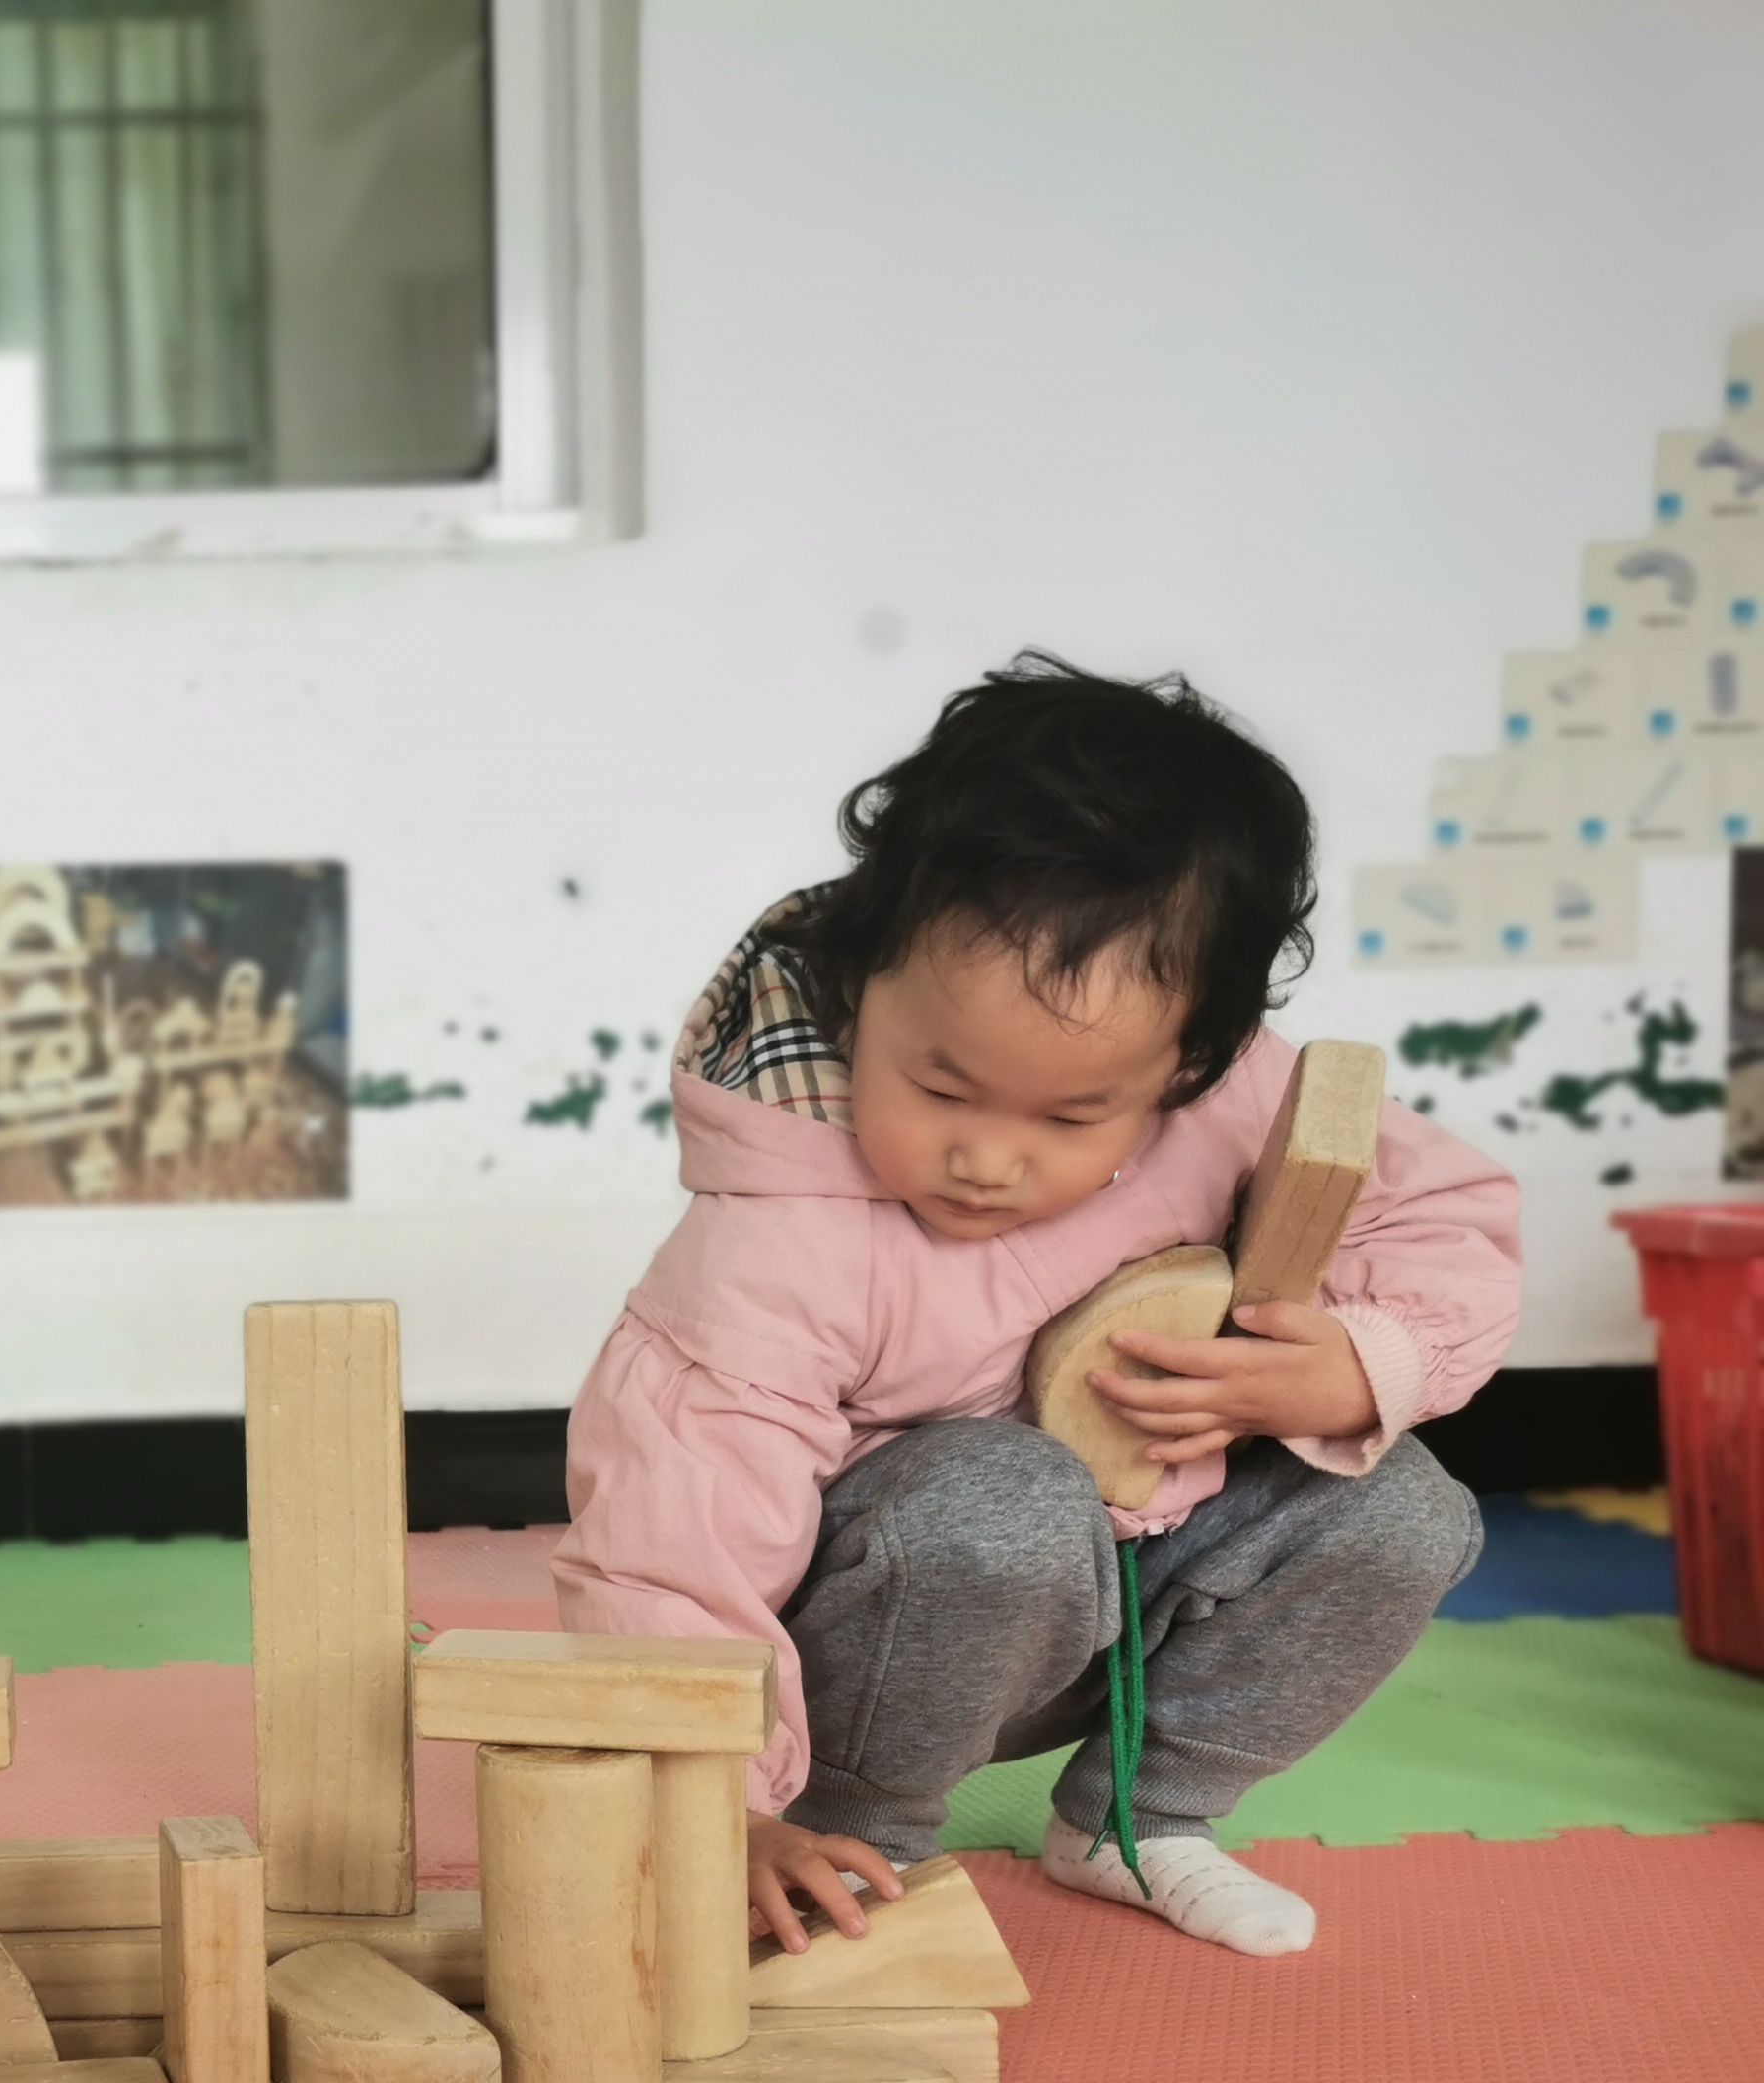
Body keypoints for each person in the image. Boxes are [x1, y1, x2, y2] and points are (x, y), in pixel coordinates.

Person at [552, 656, 1518, 1963]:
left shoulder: (1238, 1095)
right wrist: (718, 1808)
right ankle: (854, 1840)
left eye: (1072, 1116)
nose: (988, 1158)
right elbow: (674, 1550)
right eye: (941, 1088)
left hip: (1130, 1595)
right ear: (859, 987)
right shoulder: (779, 1243)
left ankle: (1140, 1817)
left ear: (1185, 1062)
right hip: (873, 1652)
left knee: (1403, 1507)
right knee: (999, 1496)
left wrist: (1358, 1363)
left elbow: (1443, 1218)